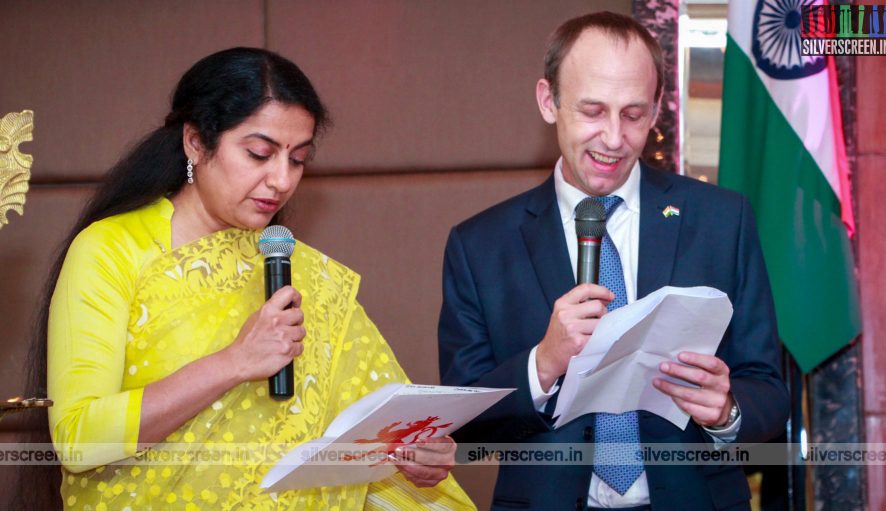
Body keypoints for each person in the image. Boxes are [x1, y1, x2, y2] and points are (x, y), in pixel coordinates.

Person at [36, 48, 473, 510]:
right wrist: (234, 363)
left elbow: (370, 429)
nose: (281, 180)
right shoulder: (113, 250)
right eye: (259, 153)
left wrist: (414, 454)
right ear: (195, 142)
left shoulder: (301, 271)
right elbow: (79, 439)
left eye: (298, 159)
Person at [438, 12, 788, 511]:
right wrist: (543, 363)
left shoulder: (720, 220)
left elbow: (769, 390)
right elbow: (466, 426)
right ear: (548, 101)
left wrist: (727, 410)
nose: (613, 138)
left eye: (632, 114)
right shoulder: (481, 246)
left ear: (657, 109)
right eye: (593, 111)